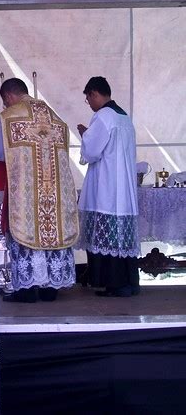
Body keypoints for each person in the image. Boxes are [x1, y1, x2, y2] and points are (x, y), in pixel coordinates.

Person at [0, 78, 79, 302]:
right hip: (54, 189)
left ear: (8, 96)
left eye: (4, 102)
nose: (4, 106)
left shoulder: (9, 117)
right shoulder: (55, 117)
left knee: (27, 231)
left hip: (26, 191)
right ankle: (50, 288)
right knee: (52, 231)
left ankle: (27, 289)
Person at [76, 76, 140, 297]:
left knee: (108, 236)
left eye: (88, 98)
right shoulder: (124, 117)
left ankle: (114, 284)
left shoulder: (103, 116)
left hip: (107, 185)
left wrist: (84, 135)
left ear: (94, 93)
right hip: (123, 186)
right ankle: (129, 282)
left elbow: (92, 151)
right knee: (120, 237)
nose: (89, 104)